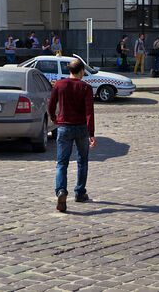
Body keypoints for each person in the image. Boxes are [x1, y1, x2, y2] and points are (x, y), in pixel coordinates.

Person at [48, 60, 97, 213]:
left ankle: (61, 191)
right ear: (81, 71)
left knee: (62, 163)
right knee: (82, 161)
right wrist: (91, 133)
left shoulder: (59, 85)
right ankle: (80, 192)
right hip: (81, 128)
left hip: (64, 127)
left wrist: (54, 119)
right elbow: (89, 112)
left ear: (69, 70)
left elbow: (51, 105)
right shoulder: (86, 87)